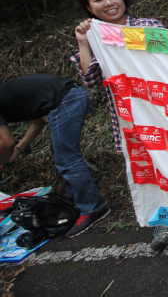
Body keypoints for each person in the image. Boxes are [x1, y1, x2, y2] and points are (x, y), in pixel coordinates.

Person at [70, 0, 168, 252]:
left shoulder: (147, 26)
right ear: (89, 8)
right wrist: (84, 41)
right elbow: (91, 80)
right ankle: (167, 221)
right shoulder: (94, 35)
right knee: (153, 166)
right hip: (131, 116)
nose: (108, 3)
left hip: (165, 109)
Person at [0, 74, 110, 237]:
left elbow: (6, 141)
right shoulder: (10, 98)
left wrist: (2, 164)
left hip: (66, 100)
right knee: (61, 154)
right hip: (71, 95)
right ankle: (75, 202)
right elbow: (38, 123)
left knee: (67, 158)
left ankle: (93, 208)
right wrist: (19, 149)